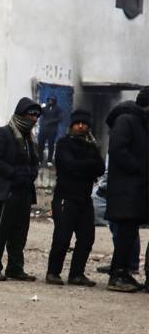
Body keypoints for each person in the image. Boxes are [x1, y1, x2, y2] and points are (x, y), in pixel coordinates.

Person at [45, 110, 105, 287]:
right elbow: (68, 165)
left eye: (84, 123)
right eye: (77, 123)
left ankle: (76, 274)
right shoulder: (64, 144)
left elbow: (100, 168)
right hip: (65, 197)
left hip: (84, 199)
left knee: (87, 238)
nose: (81, 126)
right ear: (71, 125)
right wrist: (88, 165)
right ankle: (53, 272)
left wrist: (85, 165)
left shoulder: (91, 146)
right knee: (62, 237)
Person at [0, 98, 41, 281]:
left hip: (24, 192)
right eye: (31, 114)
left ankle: (15, 267)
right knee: (0, 232)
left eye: (36, 115)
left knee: (20, 233)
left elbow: (34, 162)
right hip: (7, 192)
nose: (34, 118)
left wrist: (30, 174)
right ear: (21, 114)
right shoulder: (5, 133)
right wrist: (14, 173)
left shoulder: (30, 138)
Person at [104, 87, 149, 292]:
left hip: (134, 189)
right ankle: (117, 275)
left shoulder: (140, 122)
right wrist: (138, 169)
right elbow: (117, 150)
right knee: (124, 234)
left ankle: (123, 272)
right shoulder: (127, 120)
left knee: (128, 234)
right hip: (125, 190)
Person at [38, 97, 63, 167]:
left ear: (54, 101)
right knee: (40, 145)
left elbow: (60, 118)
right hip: (43, 130)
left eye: (52, 101)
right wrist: (40, 107)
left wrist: (51, 121)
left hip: (52, 130)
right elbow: (39, 113)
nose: (50, 102)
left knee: (51, 145)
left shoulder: (58, 109)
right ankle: (40, 160)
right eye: (49, 100)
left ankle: (49, 160)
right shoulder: (45, 107)